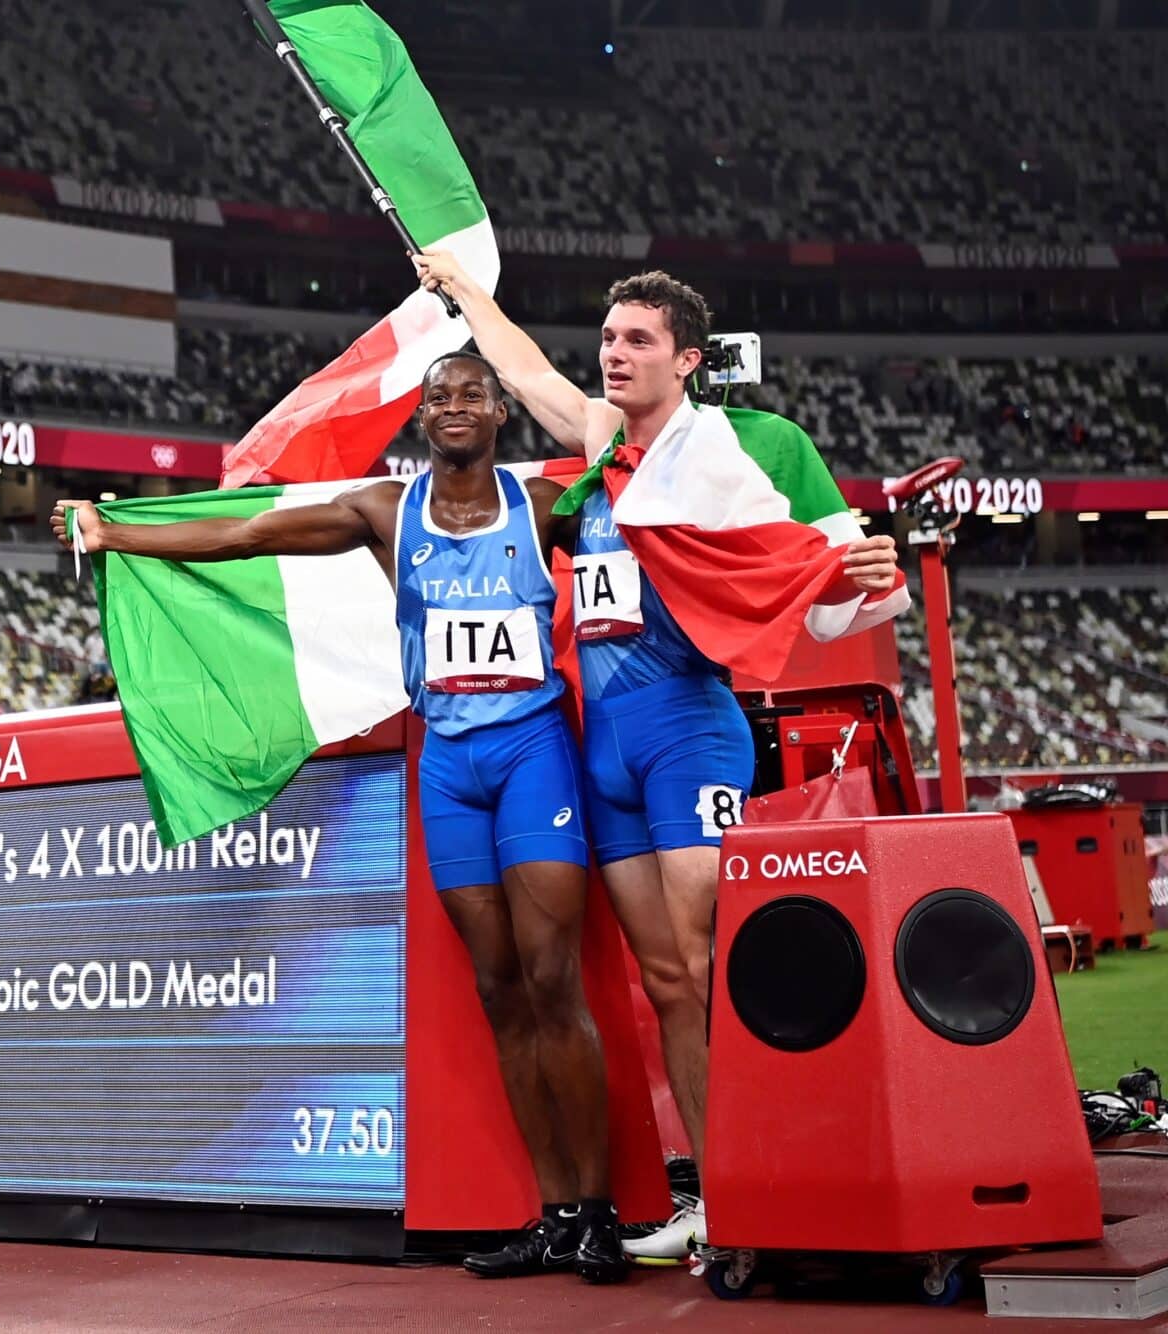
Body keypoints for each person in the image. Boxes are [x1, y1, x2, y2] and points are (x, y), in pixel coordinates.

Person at [51, 353, 628, 1283]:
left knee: (553, 977)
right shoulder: (386, 513)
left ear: (499, 413)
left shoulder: (547, 505)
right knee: (498, 989)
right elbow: (249, 535)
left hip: (532, 755)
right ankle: (553, 1212)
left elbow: (647, 503)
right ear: (423, 419)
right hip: (449, 766)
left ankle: (598, 1212)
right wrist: (115, 535)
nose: (452, 408)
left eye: (469, 395)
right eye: (436, 397)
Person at [415, 252, 903, 1260]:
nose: (613, 355)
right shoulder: (598, 449)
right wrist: (465, 296)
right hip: (606, 754)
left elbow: (839, 572)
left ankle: (782, 1179)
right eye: (607, 339)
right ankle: (720, 1191)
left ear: (685, 359)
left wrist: (864, 566)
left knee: (710, 964)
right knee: (667, 979)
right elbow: (530, 376)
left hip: (687, 730)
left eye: (636, 340)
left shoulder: (723, 452)